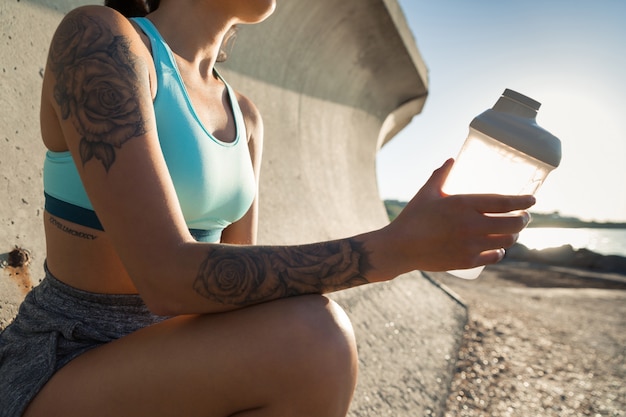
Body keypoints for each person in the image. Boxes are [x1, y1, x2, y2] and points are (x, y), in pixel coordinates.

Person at [0, 1, 535, 416]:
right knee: (313, 339)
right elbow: (166, 277)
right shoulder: (99, 38)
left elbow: (236, 293)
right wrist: (397, 248)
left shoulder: (246, 118)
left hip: (178, 361)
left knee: (305, 335)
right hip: (64, 358)